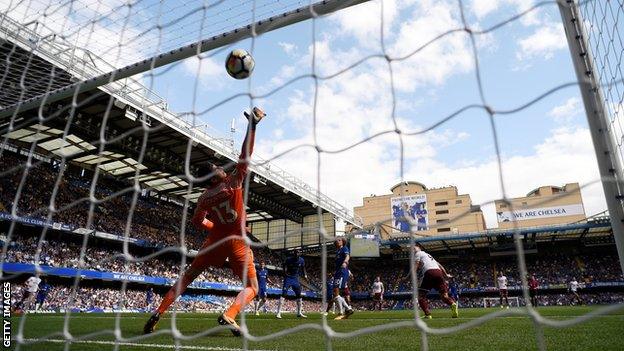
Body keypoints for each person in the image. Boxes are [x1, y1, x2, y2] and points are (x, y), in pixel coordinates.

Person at [144, 107, 266, 336]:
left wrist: (216, 226)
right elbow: (245, 155)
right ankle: (229, 314)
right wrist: (253, 125)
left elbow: (197, 220)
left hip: (214, 241)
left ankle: (159, 311)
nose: (220, 167)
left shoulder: (203, 199)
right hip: (237, 242)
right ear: (214, 175)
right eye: (216, 167)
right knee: (252, 287)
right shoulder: (234, 182)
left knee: (188, 277)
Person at [410, 244, 458, 319]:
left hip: (429, 273)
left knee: (421, 296)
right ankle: (452, 303)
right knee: (444, 296)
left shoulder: (418, 253)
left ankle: (428, 314)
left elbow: (416, 265)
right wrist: (446, 275)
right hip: (439, 273)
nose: (412, 250)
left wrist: (409, 276)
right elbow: (440, 266)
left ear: (419, 248)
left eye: (414, 248)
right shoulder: (430, 256)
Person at [276, 250, 307, 318]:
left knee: (299, 295)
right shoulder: (289, 259)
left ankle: (299, 313)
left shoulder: (301, 260)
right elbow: (284, 265)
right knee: (284, 294)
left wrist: (305, 275)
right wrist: (284, 273)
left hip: (295, 278)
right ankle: (278, 313)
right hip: (288, 278)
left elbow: (303, 268)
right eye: (295, 253)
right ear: (294, 254)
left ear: (299, 254)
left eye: (298, 253)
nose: (296, 255)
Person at [333, 237, 354, 320]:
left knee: (337, 291)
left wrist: (345, 262)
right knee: (335, 293)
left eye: (339, 240)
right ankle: (348, 309)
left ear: (343, 242)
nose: (337, 241)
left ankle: (341, 312)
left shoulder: (344, 248)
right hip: (338, 272)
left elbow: (347, 256)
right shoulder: (337, 251)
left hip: (342, 272)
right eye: (336, 240)